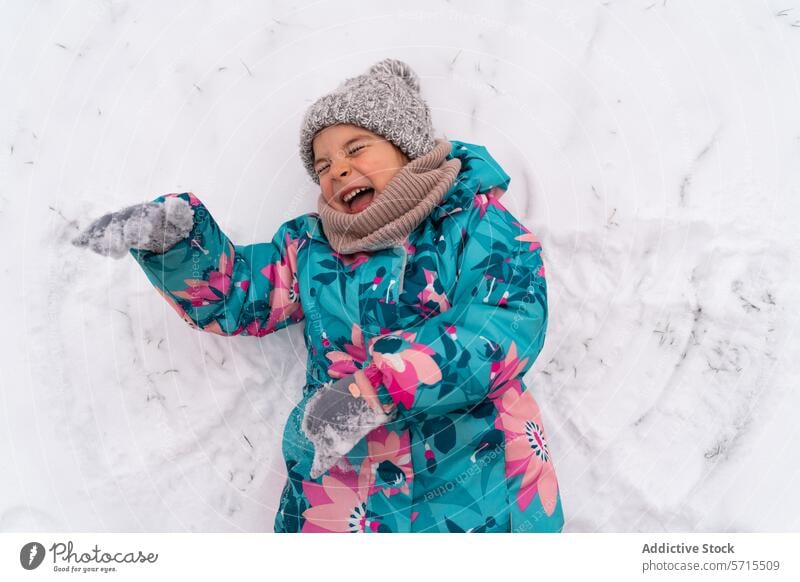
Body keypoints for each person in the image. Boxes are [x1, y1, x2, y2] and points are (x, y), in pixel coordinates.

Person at [72, 58, 564, 533]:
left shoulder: (471, 223)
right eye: (323, 164)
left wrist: (376, 389)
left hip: (476, 486)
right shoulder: (312, 250)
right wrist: (175, 241)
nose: (337, 170)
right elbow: (239, 295)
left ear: (407, 148)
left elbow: (506, 321)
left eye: (357, 149)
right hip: (347, 496)